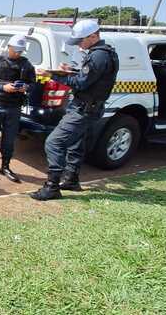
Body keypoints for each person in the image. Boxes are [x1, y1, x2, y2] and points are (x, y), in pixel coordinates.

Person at [31, 20, 119, 201]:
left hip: (84, 109)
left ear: (93, 36)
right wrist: (70, 71)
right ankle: (71, 179)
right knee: (75, 143)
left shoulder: (98, 56)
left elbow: (81, 83)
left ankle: (52, 187)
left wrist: (53, 75)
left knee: (53, 143)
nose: (79, 44)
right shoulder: (104, 53)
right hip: (89, 107)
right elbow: (89, 77)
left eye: (81, 40)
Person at [0, 34, 36, 182]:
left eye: (20, 51)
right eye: (15, 50)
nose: (17, 53)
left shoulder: (26, 65)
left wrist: (26, 88)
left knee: (9, 140)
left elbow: (33, 84)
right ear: (9, 47)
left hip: (14, 108)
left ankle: (5, 166)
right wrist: (3, 87)